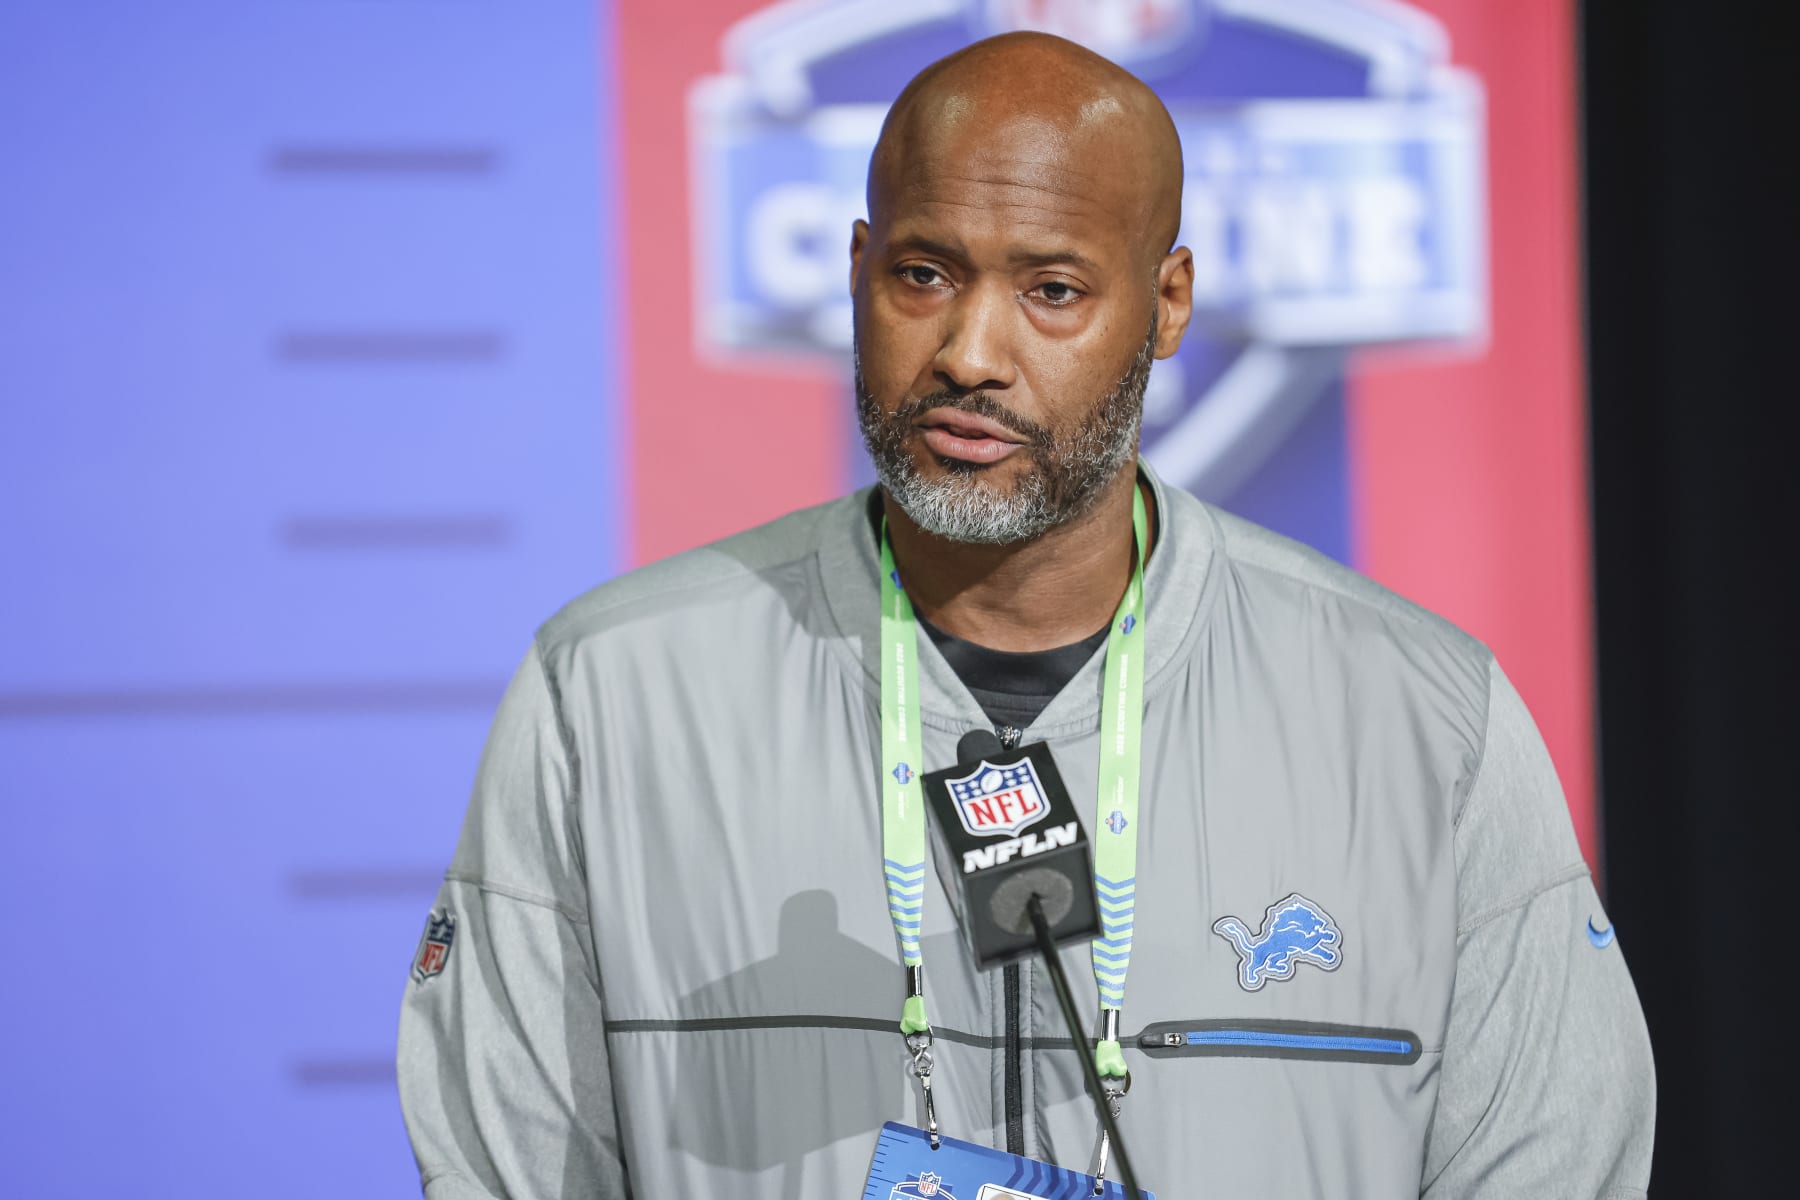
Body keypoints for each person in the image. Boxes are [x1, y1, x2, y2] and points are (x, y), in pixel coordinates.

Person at [397, 32, 1654, 1199]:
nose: (970, 352)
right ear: (856, 269)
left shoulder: (1425, 720)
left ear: (1167, 304)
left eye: (1052, 290)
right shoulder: (612, 690)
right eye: (923, 274)